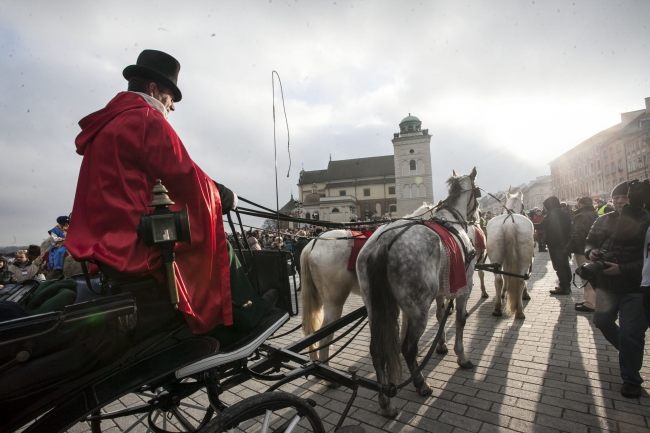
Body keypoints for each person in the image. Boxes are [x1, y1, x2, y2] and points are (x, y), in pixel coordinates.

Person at [66, 49, 241, 334]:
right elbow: (185, 177)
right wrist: (222, 195)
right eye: (170, 98)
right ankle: (237, 320)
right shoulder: (147, 119)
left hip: (105, 245)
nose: (171, 107)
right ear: (153, 89)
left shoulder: (108, 122)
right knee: (225, 250)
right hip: (135, 248)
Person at [585, 181, 650, 398]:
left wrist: (622, 269)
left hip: (635, 288)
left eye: (623, 197)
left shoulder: (646, 221)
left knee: (632, 334)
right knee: (601, 321)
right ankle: (629, 353)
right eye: (615, 198)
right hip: (607, 286)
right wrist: (591, 252)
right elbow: (589, 242)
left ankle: (631, 379)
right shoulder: (603, 219)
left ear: (633, 199)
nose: (619, 201)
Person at [571, 197, 598, 312]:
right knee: (593, 275)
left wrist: (570, 248)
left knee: (586, 275)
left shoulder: (581, 216)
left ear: (581, 204)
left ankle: (590, 303)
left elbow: (578, 234)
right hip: (594, 250)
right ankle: (591, 300)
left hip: (582, 250)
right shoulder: (595, 214)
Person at [543, 196, 572, 295]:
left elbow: (549, 229)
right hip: (565, 244)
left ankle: (564, 287)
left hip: (556, 245)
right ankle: (567, 286)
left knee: (559, 267)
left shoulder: (552, 215)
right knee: (565, 265)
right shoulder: (564, 213)